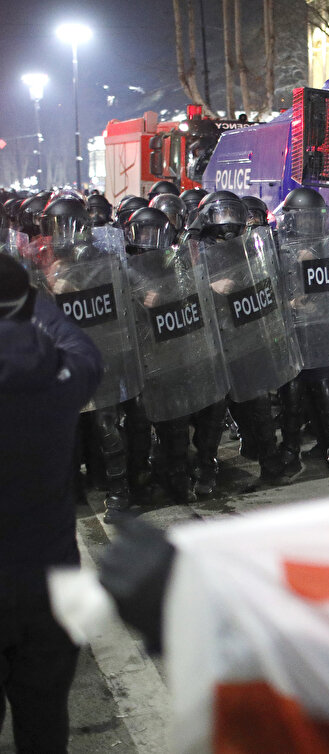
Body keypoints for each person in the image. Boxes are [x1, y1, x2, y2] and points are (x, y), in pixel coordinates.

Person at [0, 253, 103, 751]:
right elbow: (80, 344)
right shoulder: (62, 375)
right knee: (44, 724)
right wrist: (31, 299)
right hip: (52, 581)